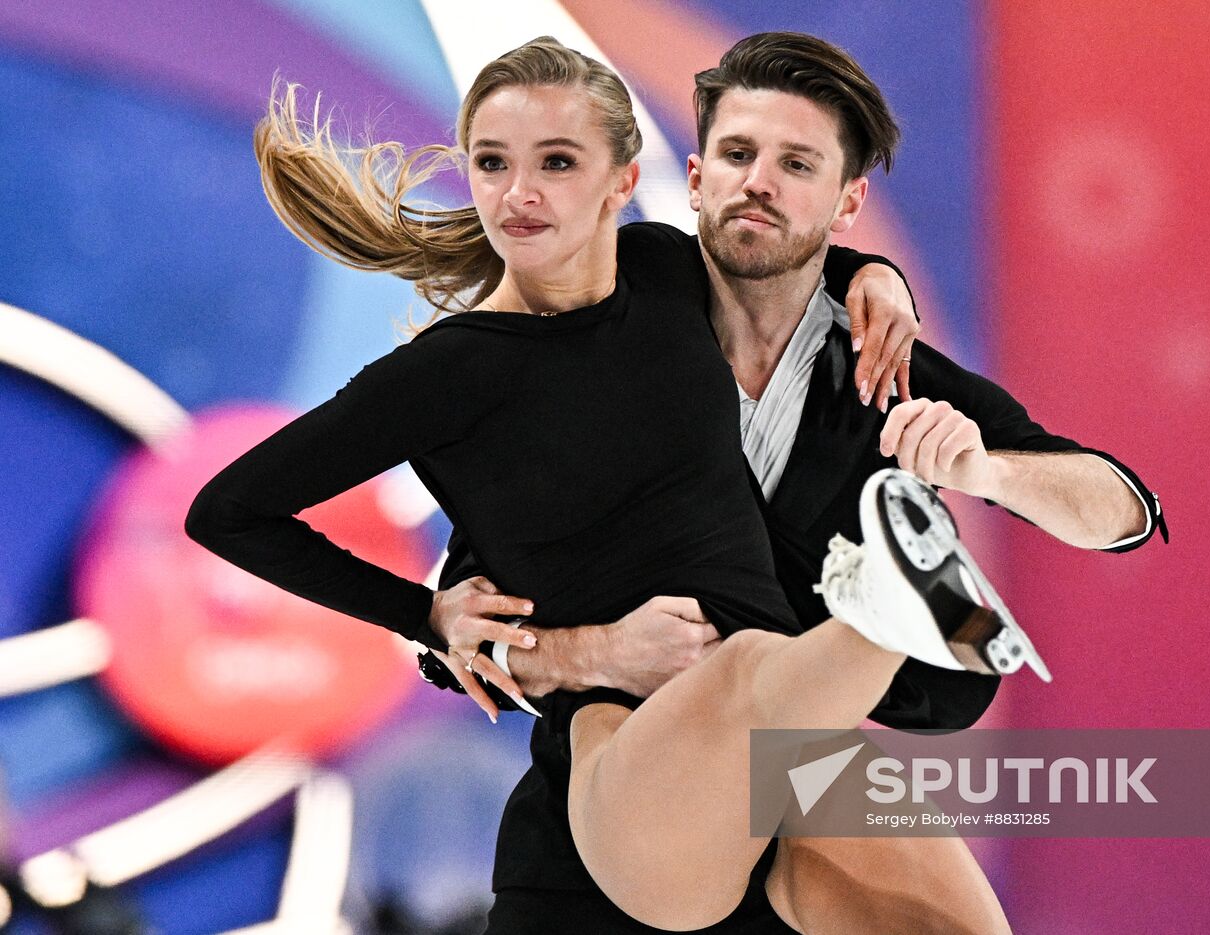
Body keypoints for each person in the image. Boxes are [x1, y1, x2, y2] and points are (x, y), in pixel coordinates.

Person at [184, 35, 1033, 934]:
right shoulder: (441, 376)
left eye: (556, 161)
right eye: (493, 162)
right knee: (745, 666)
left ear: (623, 180)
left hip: (800, 753)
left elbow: (790, 257)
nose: (520, 193)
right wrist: (423, 616)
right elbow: (229, 511)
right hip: (635, 774)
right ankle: (885, 610)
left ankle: (889, 611)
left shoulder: (671, 272)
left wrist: (878, 280)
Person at [430, 33, 1165, 935]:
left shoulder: (889, 372)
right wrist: (598, 651)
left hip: (803, 808)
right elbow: (462, 632)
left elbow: (1125, 512)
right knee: (735, 683)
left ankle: (884, 613)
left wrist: (987, 471)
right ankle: (882, 611)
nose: (759, 182)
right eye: (738, 155)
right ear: (695, 177)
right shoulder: (589, 349)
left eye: (796, 163)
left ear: (848, 200)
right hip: (609, 831)